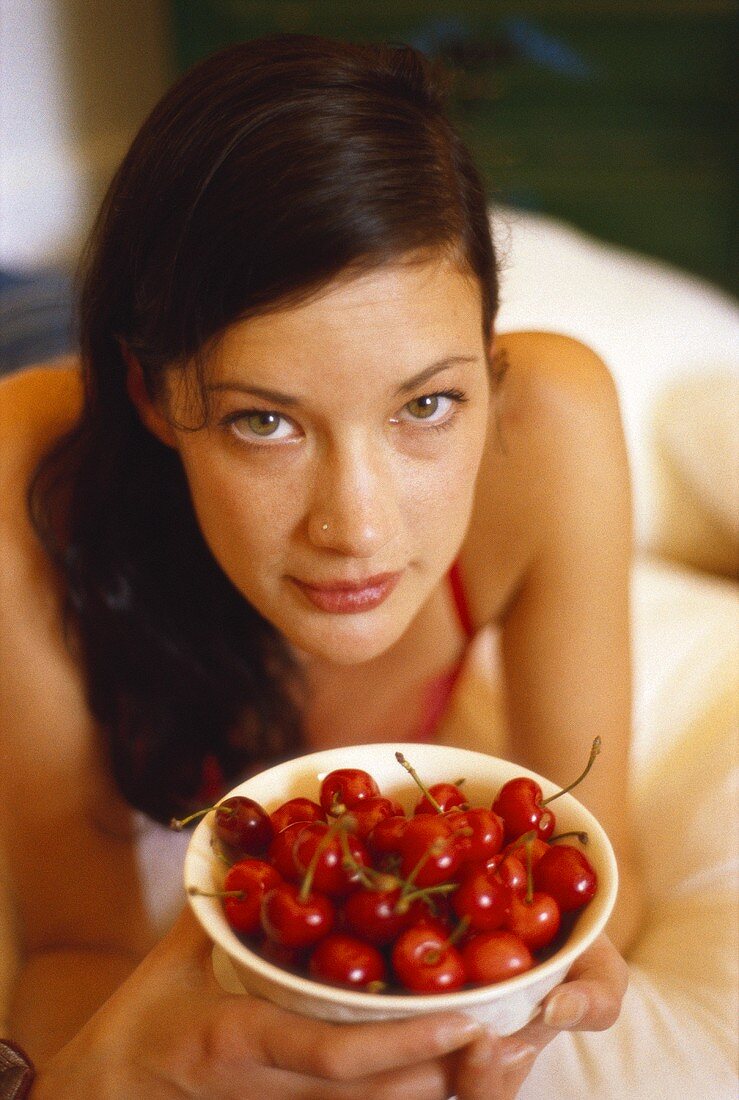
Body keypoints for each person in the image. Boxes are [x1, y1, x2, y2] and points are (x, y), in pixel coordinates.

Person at [0, 33, 637, 1099]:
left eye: (426, 404)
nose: (358, 526)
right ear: (157, 398)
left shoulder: (553, 424)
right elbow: (76, 943)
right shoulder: (31, 486)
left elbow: (601, 859)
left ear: (487, 362)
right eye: (265, 421)